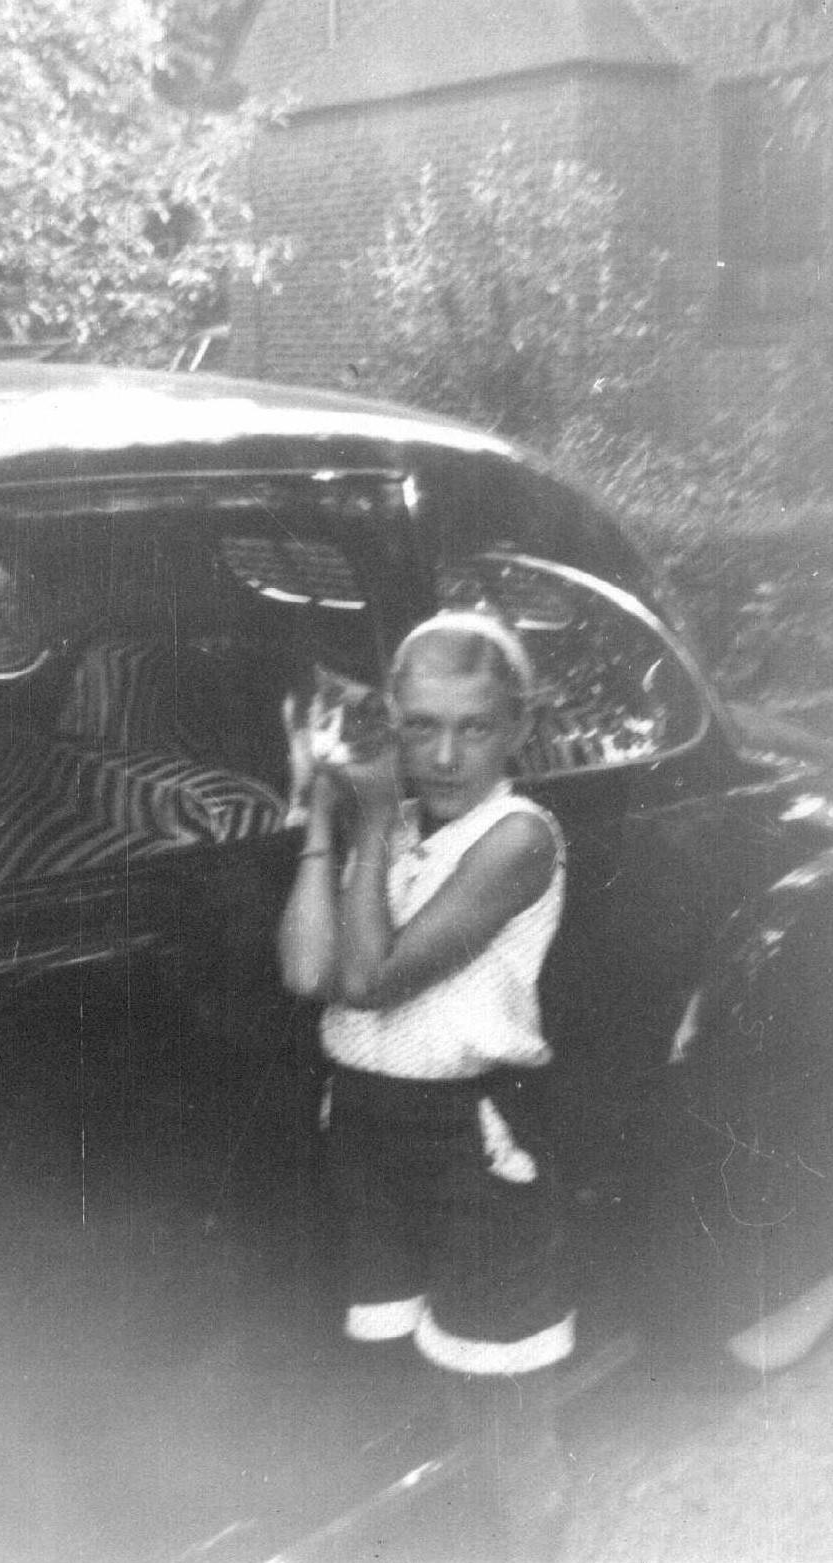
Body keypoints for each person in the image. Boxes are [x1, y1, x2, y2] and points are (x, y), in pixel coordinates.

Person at [278, 610, 574, 1563]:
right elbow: (303, 968)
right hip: (368, 1121)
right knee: (435, 1364)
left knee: (505, 1381)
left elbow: (367, 979)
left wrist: (364, 818)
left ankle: (534, 1543)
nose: (444, 754)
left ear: (517, 729)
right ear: (392, 725)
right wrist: (324, 819)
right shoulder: (397, 824)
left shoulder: (517, 837)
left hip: (465, 1135)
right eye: (419, 726)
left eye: (474, 726)